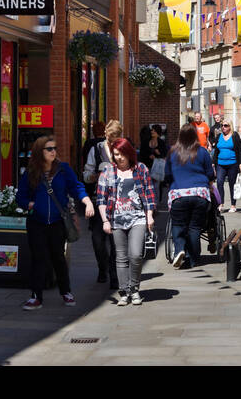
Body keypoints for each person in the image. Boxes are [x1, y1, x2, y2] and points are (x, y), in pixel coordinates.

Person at [15, 135, 94, 309]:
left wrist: (86, 201)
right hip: (37, 222)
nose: (53, 152)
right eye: (49, 149)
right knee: (39, 258)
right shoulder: (31, 172)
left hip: (58, 222)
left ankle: (66, 291)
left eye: (55, 148)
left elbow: (76, 187)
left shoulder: (63, 169)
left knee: (58, 257)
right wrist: (31, 204)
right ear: (39, 151)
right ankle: (36, 296)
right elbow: (20, 196)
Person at [97, 138, 156, 305]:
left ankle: (135, 289)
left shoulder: (141, 169)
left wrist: (149, 215)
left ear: (129, 153)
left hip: (138, 218)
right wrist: (104, 221)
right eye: (116, 154)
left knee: (136, 255)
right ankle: (124, 291)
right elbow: (101, 199)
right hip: (116, 219)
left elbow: (150, 193)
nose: (119, 158)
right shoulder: (107, 172)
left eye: (122, 154)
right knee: (121, 257)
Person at [167, 124, 219, 269]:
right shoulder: (202, 152)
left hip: (178, 194)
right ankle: (194, 259)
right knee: (194, 227)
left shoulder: (172, 152)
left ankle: (180, 249)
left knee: (178, 224)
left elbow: (167, 175)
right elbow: (210, 174)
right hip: (199, 194)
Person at [82, 121, 122, 289]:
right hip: (99, 199)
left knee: (115, 241)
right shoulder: (96, 149)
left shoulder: (123, 148)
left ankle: (114, 275)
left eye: (116, 139)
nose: (113, 143)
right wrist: (93, 176)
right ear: (106, 135)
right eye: (110, 139)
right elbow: (86, 173)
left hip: (119, 201)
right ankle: (102, 267)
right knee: (97, 239)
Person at [213, 120, 241, 213]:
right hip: (220, 164)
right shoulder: (219, 136)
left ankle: (233, 204)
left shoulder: (235, 136)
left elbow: (240, 150)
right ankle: (221, 203)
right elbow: (216, 151)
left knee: (232, 184)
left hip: (233, 164)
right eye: (222, 125)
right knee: (219, 182)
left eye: (225, 125)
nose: (223, 127)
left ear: (230, 126)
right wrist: (213, 162)